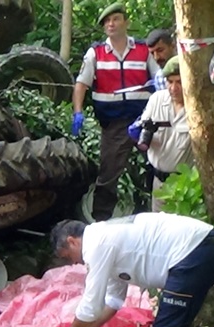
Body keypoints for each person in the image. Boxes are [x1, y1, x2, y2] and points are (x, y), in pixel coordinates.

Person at [49, 213, 214, 327]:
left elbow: (91, 306)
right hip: (204, 249)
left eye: (68, 257)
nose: (73, 263)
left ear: (72, 241)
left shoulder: (96, 244)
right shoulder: (104, 238)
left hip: (195, 251)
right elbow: (113, 301)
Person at [71, 2, 159, 221]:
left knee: (157, 168)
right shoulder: (96, 53)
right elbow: (81, 84)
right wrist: (77, 112)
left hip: (145, 120)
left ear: (126, 22)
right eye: (107, 21)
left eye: (116, 19)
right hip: (114, 126)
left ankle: (156, 217)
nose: (111, 24)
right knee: (108, 175)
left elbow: (160, 80)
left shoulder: (142, 50)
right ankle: (100, 223)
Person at [130, 55, 193, 212]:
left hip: (186, 183)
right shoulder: (157, 99)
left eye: (179, 82)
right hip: (159, 181)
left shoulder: (196, 106)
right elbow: (143, 130)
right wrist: (137, 133)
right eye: (170, 82)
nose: (173, 88)